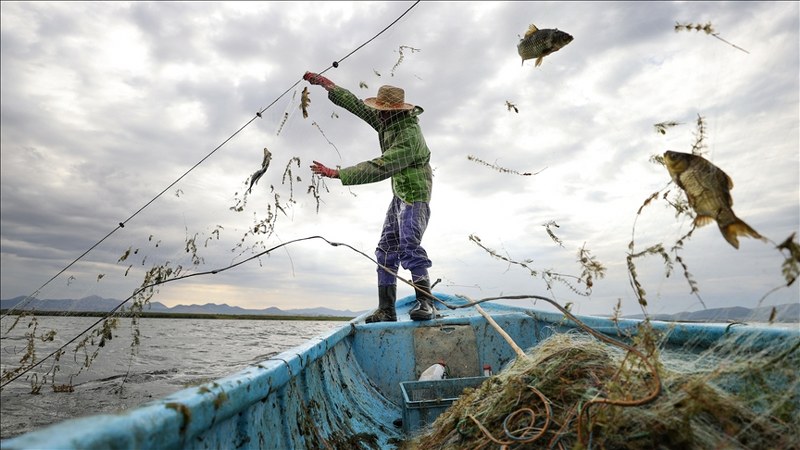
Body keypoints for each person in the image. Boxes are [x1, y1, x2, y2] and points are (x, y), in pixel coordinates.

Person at [303, 71, 435, 322]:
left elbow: (381, 166)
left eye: (384, 111)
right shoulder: (387, 120)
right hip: (399, 193)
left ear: (397, 111)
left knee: (409, 244)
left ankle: (426, 302)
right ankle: (386, 310)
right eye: (379, 111)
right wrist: (327, 85)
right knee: (386, 248)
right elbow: (355, 105)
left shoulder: (409, 136)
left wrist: (336, 173)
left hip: (416, 193)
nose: (380, 115)